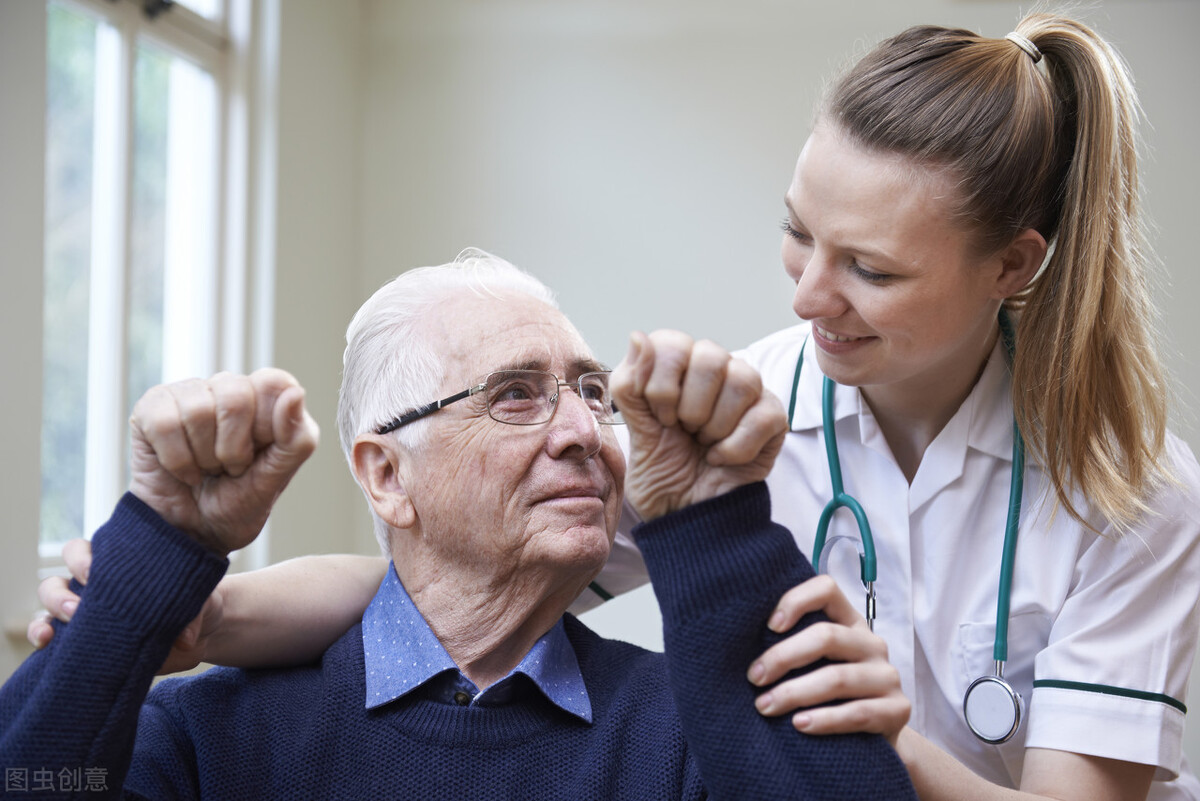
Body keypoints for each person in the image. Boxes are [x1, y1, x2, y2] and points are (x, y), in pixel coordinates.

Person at [30, 9, 1200, 800]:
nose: (807, 295)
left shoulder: (1132, 493)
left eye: (872, 271)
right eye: (796, 233)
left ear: (1014, 266)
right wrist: (180, 604)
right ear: (379, 468)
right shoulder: (211, 735)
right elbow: (434, 578)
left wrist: (881, 730)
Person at [0, 253, 918, 800]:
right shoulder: (212, 731)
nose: (581, 434)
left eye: (593, 395)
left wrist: (715, 519)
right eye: (516, 396)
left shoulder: (684, 726)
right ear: (389, 476)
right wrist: (162, 544)